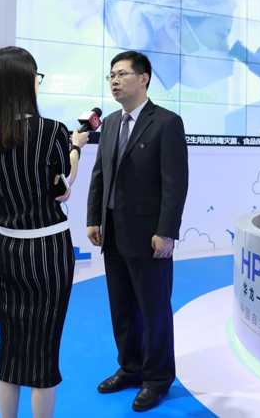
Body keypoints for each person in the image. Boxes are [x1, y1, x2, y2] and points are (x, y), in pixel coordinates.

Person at [0, 46, 89, 418]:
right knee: (43, 349)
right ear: (25, 81)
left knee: (10, 345)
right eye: (36, 76)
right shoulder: (52, 130)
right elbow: (62, 189)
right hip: (48, 249)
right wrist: (76, 149)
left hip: (8, 247)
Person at [87, 50, 189, 412]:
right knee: (122, 307)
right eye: (111, 75)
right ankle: (130, 368)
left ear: (143, 78)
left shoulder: (166, 123)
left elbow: (175, 183)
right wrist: (94, 218)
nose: (115, 81)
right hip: (113, 232)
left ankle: (157, 378)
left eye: (122, 74)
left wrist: (167, 231)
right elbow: (100, 174)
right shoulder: (111, 123)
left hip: (149, 236)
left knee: (154, 309)